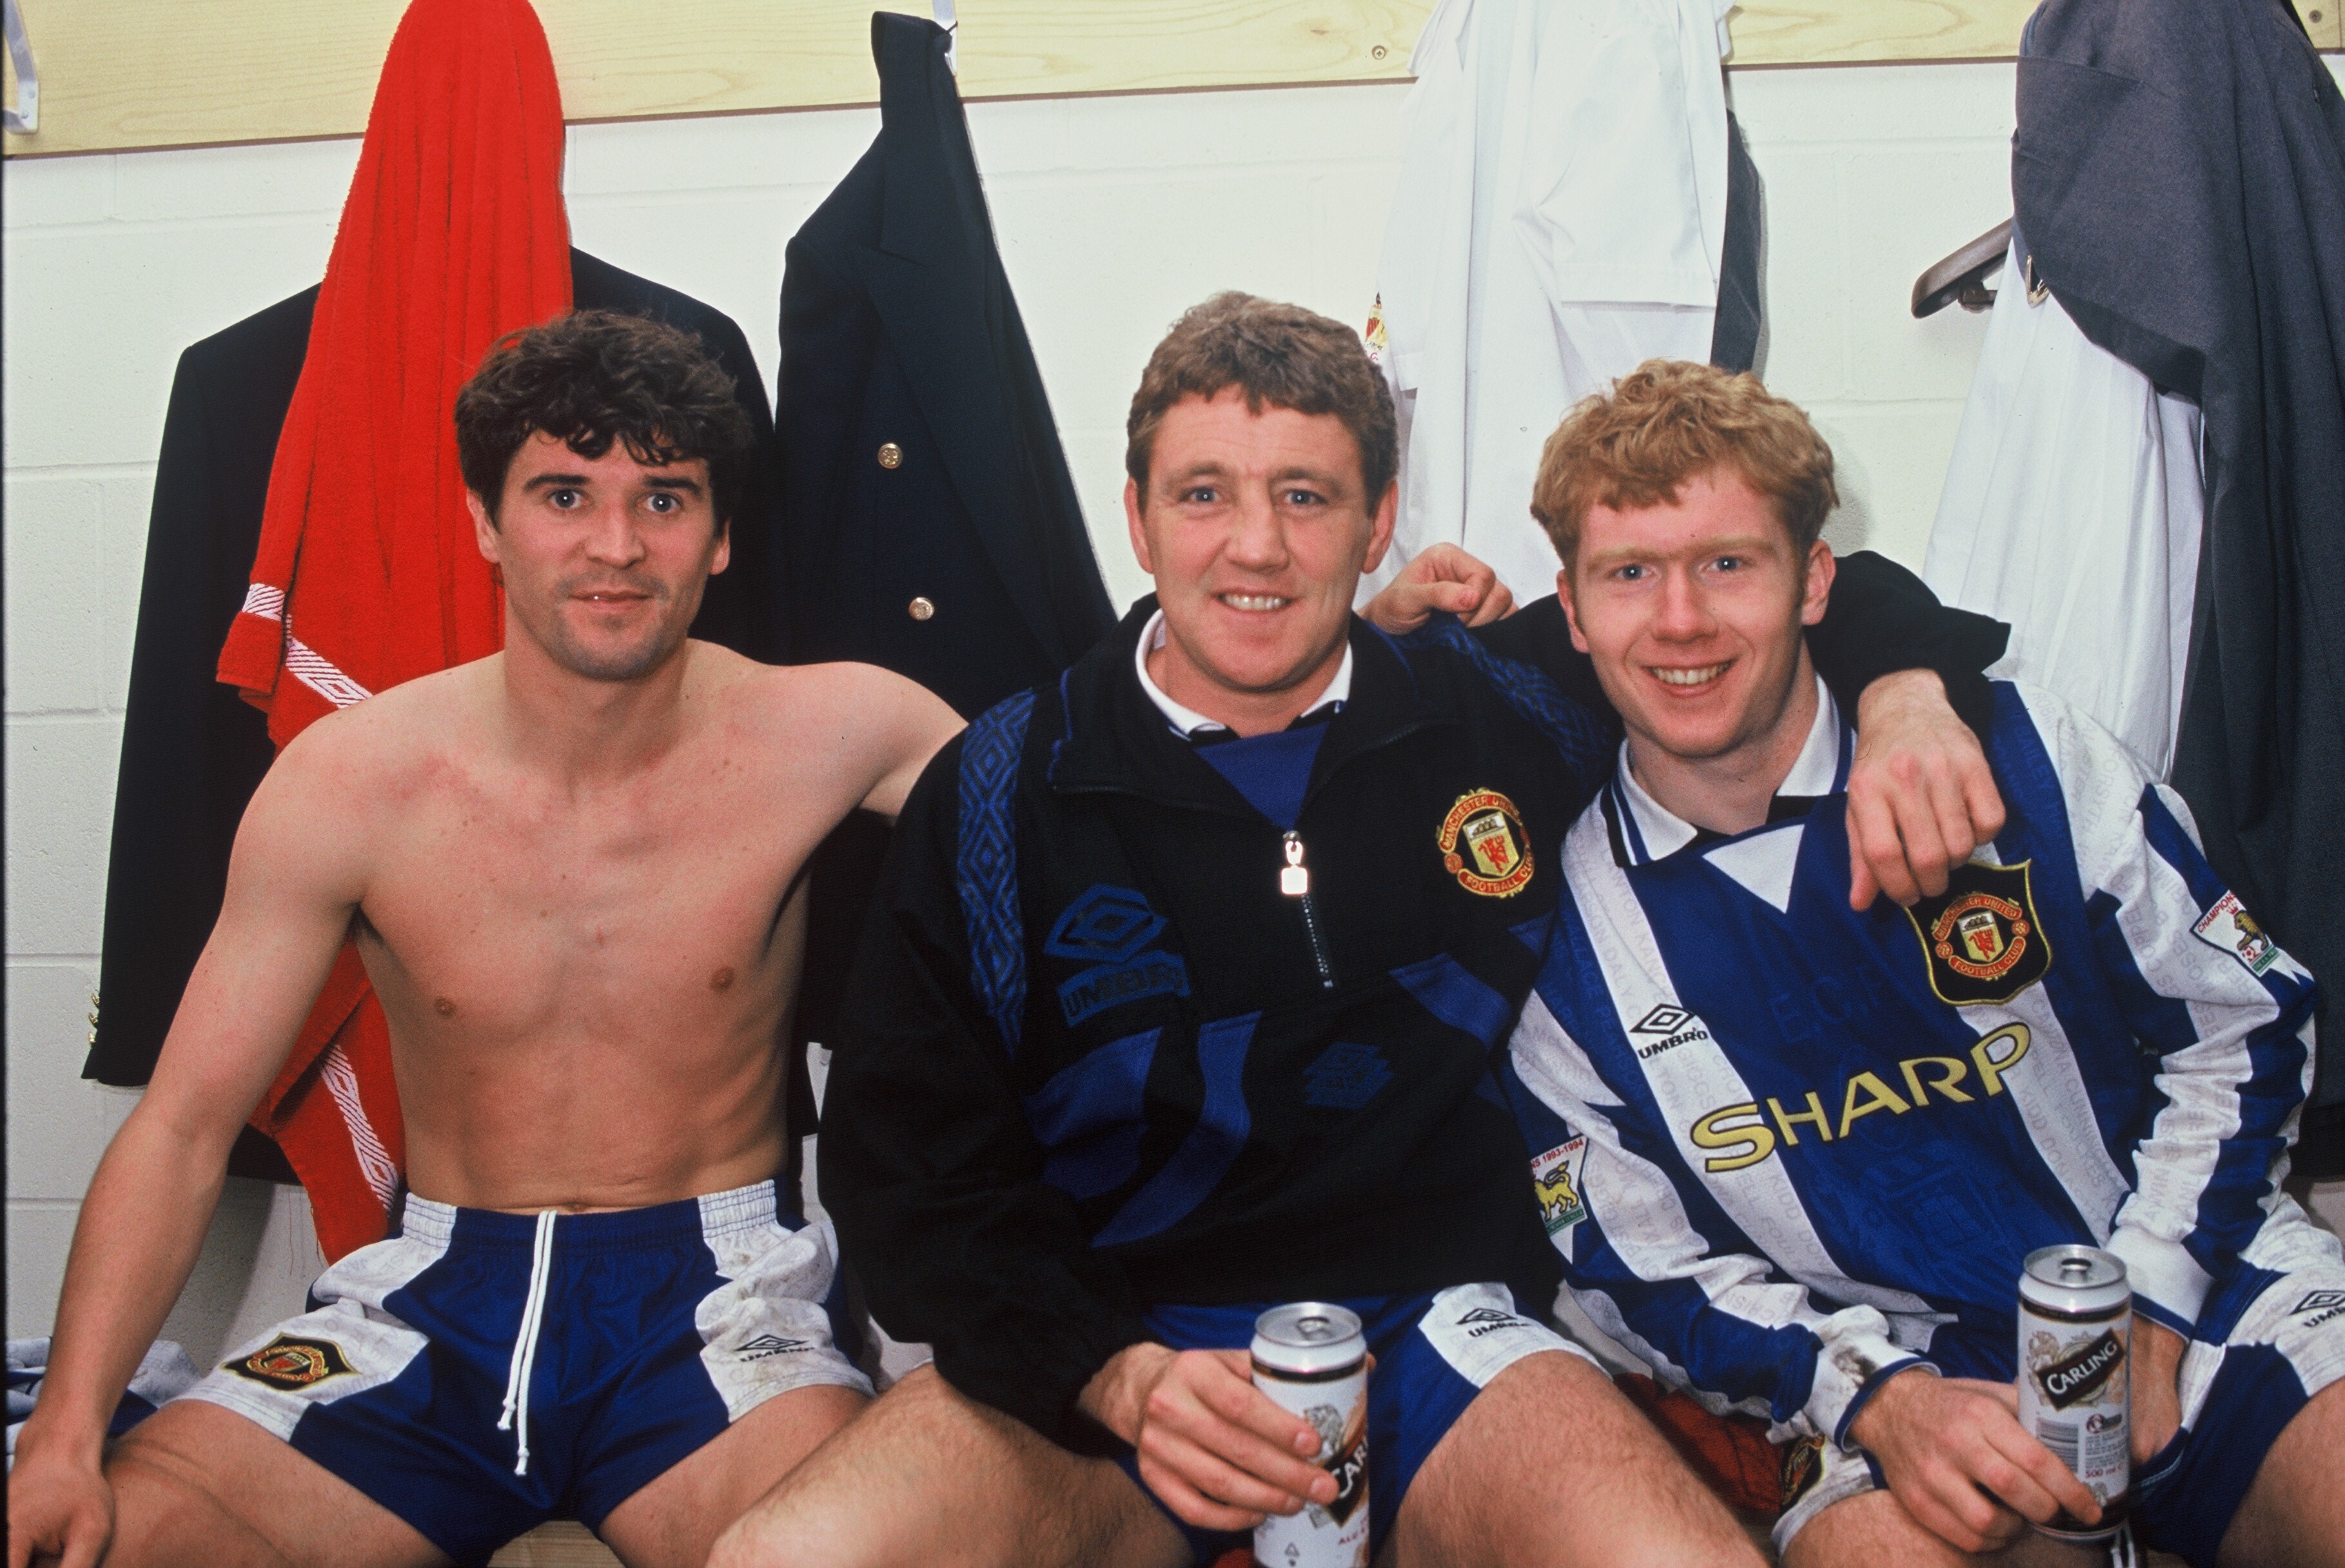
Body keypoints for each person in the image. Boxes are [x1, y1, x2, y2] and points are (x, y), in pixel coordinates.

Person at [712, 295, 2013, 1568]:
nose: (1255, 547)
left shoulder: (1504, 708)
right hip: (1125, 1359)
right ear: (1139, 520)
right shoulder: (996, 792)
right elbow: (906, 1173)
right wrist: (1108, 1374)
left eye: (1306, 495)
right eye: (1205, 492)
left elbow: (1785, 586)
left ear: (1378, 519)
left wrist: (1907, 696)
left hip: (1455, 1334)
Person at [5, 311, 967, 1568]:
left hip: (720, 1297)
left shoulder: (839, 728)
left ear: (721, 534)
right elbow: (184, 1127)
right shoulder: (352, 779)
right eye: (565, 494)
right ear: (484, 522)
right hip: (434, 1294)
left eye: (664, 498)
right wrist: (67, 1437)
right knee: (107, 1542)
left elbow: (1070, 847)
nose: (617, 545)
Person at [1499, 360, 2345, 1567]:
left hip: (2196, 1290)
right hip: (1891, 1384)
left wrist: (2150, 1306)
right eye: (1630, 574)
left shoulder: (2028, 760)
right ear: (1572, 614)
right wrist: (1873, 1396)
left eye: (1727, 564)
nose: (1680, 620)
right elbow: (1636, 1261)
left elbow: (2245, 1024)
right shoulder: (1553, 919)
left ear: (1814, 583)